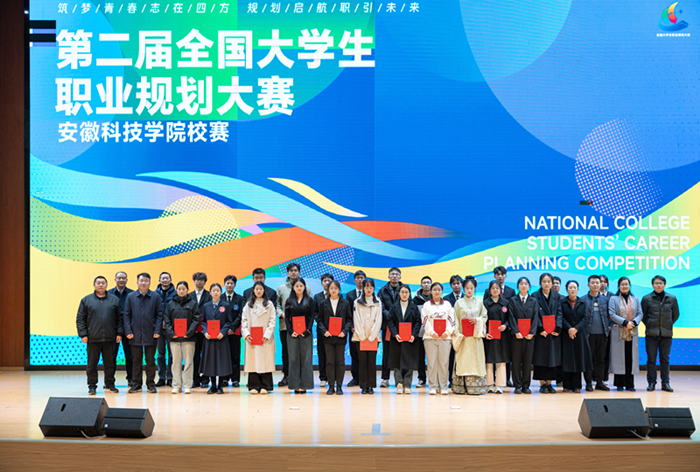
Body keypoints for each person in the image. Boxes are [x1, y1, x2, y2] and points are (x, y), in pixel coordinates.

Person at [76, 276, 123, 395]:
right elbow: (80, 319)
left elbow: (120, 318)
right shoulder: (86, 300)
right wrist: (83, 334)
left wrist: (119, 333)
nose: (101, 285)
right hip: (93, 338)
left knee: (110, 363)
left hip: (110, 338)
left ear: (106, 285)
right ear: (94, 285)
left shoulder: (114, 300)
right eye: (98, 283)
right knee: (92, 364)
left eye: (103, 283)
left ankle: (110, 384)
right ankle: (92, 386)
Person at [124, 273, 164, 394]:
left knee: (150, 361)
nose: (143, 283)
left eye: (146, 281)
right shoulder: (131, 296)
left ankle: (150, 384)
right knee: (136, 360)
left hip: (151, 334)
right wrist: (128, 331)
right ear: (137, 283)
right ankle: (136, 384)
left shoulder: (155, 296)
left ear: (149, 283)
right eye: (141, 280)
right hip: (134, 334)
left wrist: (157, 330)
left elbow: (159, 315)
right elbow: (126, 315)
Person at [276, 263, 312, 387]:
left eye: (296, 270)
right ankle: (287, 376)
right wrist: (281, 314)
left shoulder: (306, 289)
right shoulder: (281, 288)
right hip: (286, 326)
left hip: (303, 327)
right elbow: (277, 305)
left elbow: (310, 307)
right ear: (287, 272)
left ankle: (301, 377)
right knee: (286, 352)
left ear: (299, 272)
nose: (293, 272)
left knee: (302, 353)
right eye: (291, 270)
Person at [642, 275, 679, 392]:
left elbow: (676, 315)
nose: (658, 285)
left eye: (661, 283)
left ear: (664, 285)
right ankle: (651, 383)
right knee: (651, 360)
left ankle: (665, 383)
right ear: (652, 285)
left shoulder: (672, 298)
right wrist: (650, 324)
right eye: (656, 283)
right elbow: (643, 315)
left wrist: (667, 324)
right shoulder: (646, 299)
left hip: (666, 334)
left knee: (665, 359)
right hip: (651, 334)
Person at [452, 276, 488, 395]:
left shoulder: (479, 303)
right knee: (463, 360)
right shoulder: (458, 303)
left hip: (475, 337)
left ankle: (476, 387)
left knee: (475, 360)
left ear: (475, 289)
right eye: (467, 288)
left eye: (471, 288)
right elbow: (456, 319)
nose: (469, 290)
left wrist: (477, 320)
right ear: (463, 288)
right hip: (463, 338)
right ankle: (460, 387)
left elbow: (484, 317)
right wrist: (458, 334)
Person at [163, 281, 200, 394]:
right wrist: (171, 333)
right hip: (174, 339)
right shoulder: (171, 304)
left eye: (184, 289)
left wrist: (189, 332)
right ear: (177, 290)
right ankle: (176, 385)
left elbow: (196, 319)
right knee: (175, 363)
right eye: (179, 289)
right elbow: (167, 319)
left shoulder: (193, 303)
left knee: (189, 362)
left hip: (189, 338)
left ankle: (187, 385)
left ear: (187, 290)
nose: (181, 291)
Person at [317, 280, 352, 395]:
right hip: (328, 337)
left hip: (341, 337)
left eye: (335, 288)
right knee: (329, 362)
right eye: (331, 288)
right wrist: (324, 331)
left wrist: (344, 331)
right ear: (328, 289)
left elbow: (349, 319)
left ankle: (340, 386)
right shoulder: (323, 303)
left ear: (339, 289)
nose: (333, 290)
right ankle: (331, 386)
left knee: (340, 362)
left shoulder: (345, 303)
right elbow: (320, 320)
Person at [241, 281, 277, 394]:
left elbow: (272, 321)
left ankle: (266, 386)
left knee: (266, 361)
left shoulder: (269, 304)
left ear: (264, 290)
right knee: (253, 361)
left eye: (261, 289)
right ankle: (254, 386)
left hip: (265, 339)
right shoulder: (248, 305)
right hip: (252, 338)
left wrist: (267, 334)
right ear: (253, 290)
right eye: (256, 289)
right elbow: (244, 320)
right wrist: (246, 334)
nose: (259, 291)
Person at [608, 277, 643, 392]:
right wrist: (625, 323)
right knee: (619, 358)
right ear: (618, 286)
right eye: (622, 284)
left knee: (630, 357)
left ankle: (630, 384)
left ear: (629, 286)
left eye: (626, 284)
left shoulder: (635, 299)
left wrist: (633, 323)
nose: (624, 286)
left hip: (632, 332)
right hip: (619, 332)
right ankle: (619, 384)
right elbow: (612, 314)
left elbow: (640, 313)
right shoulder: (613, 299)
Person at [483, 267, 516, 387]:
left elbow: (511, 316)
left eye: (497, 288)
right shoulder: (486, 301)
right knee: (490, 357)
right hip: (490, 334)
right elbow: (483, 316)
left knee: (503, 357)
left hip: (503, 334)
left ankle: (503, 382)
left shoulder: (509, 296)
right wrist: (485, 331)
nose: (495, 290)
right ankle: (489, 382)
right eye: (493, 288)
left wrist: (506, 326)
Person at [421, 283, 455, 395]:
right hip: (430, 338)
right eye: (434, 289)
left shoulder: (447, 305)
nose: (437, 292)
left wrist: (447, 332)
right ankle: (433, 386)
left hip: (445, 338)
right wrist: (432, 332)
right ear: (431, 291)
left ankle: (443, 386)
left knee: (444, 363)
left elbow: (452, 320)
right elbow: (425, 320)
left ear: (442, 291)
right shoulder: (426, 305)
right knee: (431, 363)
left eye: (439, 290)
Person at [560, 280, 593, 393]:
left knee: (578, 359)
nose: (573, 289)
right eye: (570, 287)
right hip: (566, 334)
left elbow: (585, 318)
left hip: (579, 335)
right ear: (566, 289)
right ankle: (566, 385)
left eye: (575, 287)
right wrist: (569, 329)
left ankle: (576, 385)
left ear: (578, 289)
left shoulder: (583, 302)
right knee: (567, 359)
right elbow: (561, 317)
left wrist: (576, 329)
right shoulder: (562, 302)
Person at [387, 284, 421, 394]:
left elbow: (418, 322)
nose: (404, 294)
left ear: (409, 294)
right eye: (402, 292)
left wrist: (413, 335)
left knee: (409, 362)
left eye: (406, 292)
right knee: (397, 362)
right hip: (397, 339)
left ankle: (407, 384)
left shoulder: (414, 306)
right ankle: (399, 384)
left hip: (410, 339)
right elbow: (390, 321)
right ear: (399, 294)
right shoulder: (394, 306)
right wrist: (395, 334)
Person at [532, 273, 562, 394]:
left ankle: (549, 384)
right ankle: (542, 384)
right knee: (540, 359)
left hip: (553, 332)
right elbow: (534, 314)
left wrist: (557, 328)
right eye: (544, 281)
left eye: (549, 281)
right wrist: (540, 328)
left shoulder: (557, 296)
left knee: (552, 359)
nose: (546, 284)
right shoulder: (535, 296)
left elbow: (559, 313)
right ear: (540, 283)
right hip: (541, 333)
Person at [200, 283, 233, 394]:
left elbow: (229, 321)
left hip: (221, 338)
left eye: (217, 290)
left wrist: (223, 332)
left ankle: (220, 386)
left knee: (221, 361)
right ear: (210, 292)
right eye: (213, 290)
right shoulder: (206, 306)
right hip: (209, 338)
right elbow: (203, 321)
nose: (215, 292)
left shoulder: (226, 305)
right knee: (211, 361)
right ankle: (213, 385)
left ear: (220, 292)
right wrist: (205, 332)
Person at [507, 277, 538, 394]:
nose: (524, 286)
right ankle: (517, 385)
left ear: (529, 286)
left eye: (526, 284)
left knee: (527, 361)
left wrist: (532, 333)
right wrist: (516, 332)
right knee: (516, 361)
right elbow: (511, 316)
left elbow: (535, 317)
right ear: (518, 286)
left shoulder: (533, 301)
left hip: (529, 336)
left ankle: (526, 385)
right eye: (521, 284)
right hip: (517, 336)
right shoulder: (513, 300)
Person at [285, 277, 315, 393]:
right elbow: (287, 318)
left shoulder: (310, 300)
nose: (299, 288)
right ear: (293, 287)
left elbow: (312, 317)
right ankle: (295, 385)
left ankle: (305, 385)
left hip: (306, 333)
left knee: (306, 359)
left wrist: (308, 330)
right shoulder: (289, 301)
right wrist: (290, 331)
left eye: (301, 286)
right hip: (292, 334)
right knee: (293, 359)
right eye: (297, 286)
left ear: (304, 287)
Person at [581, 275, 610, 391]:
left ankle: (599, 382)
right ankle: (588, 383)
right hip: (588, 334)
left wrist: (609, 326)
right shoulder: (583, 300)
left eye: (597, 283)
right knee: (588, 359)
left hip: (602, 334)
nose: (595, 285)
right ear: (588, 285)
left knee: (601, 359)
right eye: (592, 283)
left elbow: (611, 315)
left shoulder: (605, 300)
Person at [353, 278, 383, 394]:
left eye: (371, 287)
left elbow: (379, 319)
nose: (369, 289)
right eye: (366, 287)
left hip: (374, 337)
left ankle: (371, 386)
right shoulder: (357, 302)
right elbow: (356, 319)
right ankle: (364, 386)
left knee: (371, 362)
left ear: (374, 288)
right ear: (363, 288)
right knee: (362, 362)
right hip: (360, 337)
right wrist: (362, 335)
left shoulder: (378, 302)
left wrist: (372, 335)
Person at [377, 267, 404, 388]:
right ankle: (385, 378)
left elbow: (408, 303)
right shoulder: (382, 290)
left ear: (400, 277)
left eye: (396, 274)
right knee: (387, 353)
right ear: (388, 276)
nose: (394, 276)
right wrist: (390, 316)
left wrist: (397, 316)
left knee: (401, 353)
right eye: (392, 274)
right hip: (387, 325)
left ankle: (401, 379)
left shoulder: (404, 289)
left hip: (401, 326)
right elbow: (380, 306)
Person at [108, 271, 134, 387]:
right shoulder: (108, 294)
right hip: (113, 331)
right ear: (115, 280)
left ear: (127, 280)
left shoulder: (132, 294)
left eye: (123, 278)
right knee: (111, 356)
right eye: (119, 278)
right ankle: (109, 381)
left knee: (130, 356)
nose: (121, 280)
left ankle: (131, 379)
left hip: (129, 330)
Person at [189, 272, 212, 389]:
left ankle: (205, 379)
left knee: (206, 355)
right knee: (194, 356)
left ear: (204, 282)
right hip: (193, 331)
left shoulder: (209, 295)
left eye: (201, 280)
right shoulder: (189, 295)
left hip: (206, 331)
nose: (199, 282)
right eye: (197, 280)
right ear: (194, 281)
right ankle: (195, 379)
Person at [222, 275, 245, 388]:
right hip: (223, 333)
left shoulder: (240, 298)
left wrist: (233, 328)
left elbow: (241, 315)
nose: (229, 285)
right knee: (224, 356)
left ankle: (235, 379)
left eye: (231, 283)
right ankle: (224, 378)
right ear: (224, 284)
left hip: (235, 332)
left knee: (235, 355)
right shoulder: (220, 297)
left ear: (235, 285)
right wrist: (226, 329)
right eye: (227, 283)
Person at [345, 270, 366, 387]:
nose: (360, 280)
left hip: (366, 330)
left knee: (364, 354)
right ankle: (355, 378)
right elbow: (348, 312)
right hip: (353, 330)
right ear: (354, 280)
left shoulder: (369, 294)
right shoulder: (350, 295)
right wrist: (351, 326)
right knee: (354, 354)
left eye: (362, 278)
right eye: (358, 278)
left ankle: (364, 378)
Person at [313, 274, 334, 388]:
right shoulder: (317, 297)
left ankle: (333, 377)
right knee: (322, 354)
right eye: (325, 281)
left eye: (329, 280)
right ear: (321, 283)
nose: (327, 282)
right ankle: (323, 377)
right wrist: (322, 326)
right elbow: (315, 313)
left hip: (334, 330)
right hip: (321, 330)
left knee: (333, 355)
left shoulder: (338, 296)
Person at [155, 272, 175, 388]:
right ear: (159, 280)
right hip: (158, 329)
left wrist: (168, 324)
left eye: (167, 278)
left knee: (172, 355)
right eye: (163, 278)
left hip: (171, 329)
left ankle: (171, 377)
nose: (165, 280)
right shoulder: (154, 294)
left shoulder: (176, 294)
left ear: (170, 280)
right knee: (160, 355)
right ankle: (161, 378)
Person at [443, 275, 463, 387]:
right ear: (451, 285)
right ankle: (451, 380)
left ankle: (462, 379)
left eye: (458, 283)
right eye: (454, 284)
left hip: (464, 333)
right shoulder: (446, 299)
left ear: (462, 284)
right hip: (450, 332)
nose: (456, 286)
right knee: (451, 357)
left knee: (462, 356)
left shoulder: (466, 297)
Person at [412, 276, 432, 388]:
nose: (426, 284)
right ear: (421, 285)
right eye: (424, 282)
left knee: (432, 358)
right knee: (420, 358)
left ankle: (433, 379)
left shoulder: (435, 298)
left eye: (428, 283)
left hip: (433, 334)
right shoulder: (415, 300)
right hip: (419, 333)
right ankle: (421, 379)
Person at [599, 273, 613, 387]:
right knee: (596, 354)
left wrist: (609, 325)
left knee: (606, 354)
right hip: (596, 330)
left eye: (604, 281)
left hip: (609, 330)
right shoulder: (592, 296)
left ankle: (605, 377)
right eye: (600, 281)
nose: (602, 283)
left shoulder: (612, 296)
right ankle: (595, 377)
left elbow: (614, 313)